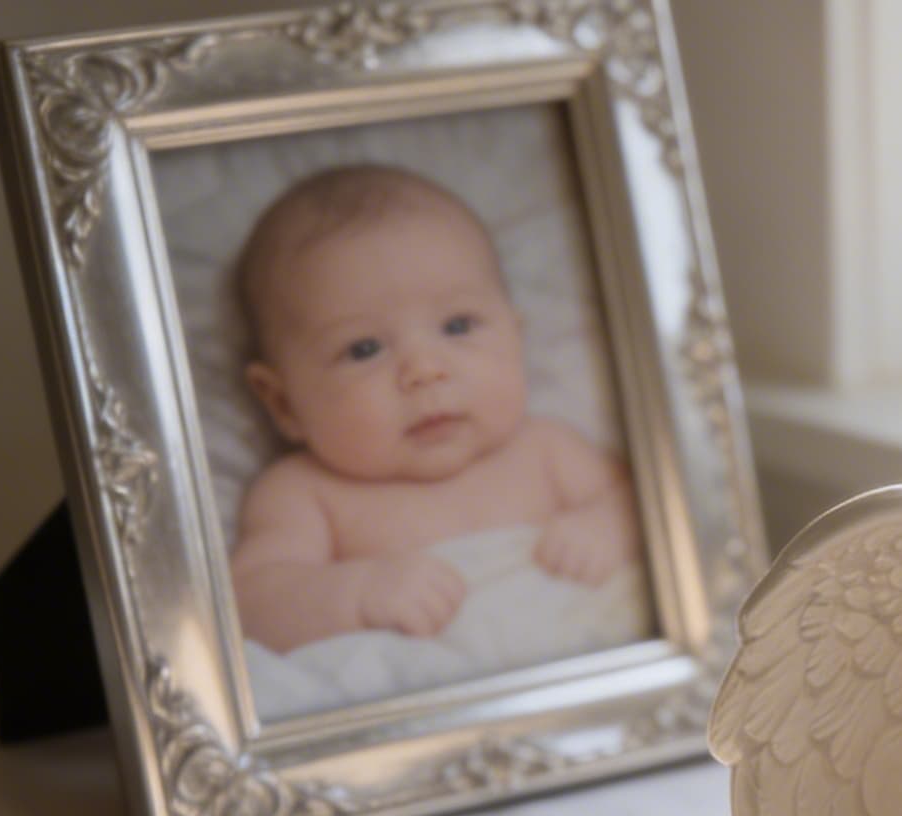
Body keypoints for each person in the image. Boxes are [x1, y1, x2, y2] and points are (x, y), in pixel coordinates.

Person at [226, 165, 638, 653]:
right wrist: (357, 593)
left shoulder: (547, 449)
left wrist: (610, 526)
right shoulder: (306, 493)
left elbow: (657, 504)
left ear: (516, 336)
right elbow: (251, 606)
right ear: (283, 402)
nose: (423, 370)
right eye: (363, 349)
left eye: (458, 325)